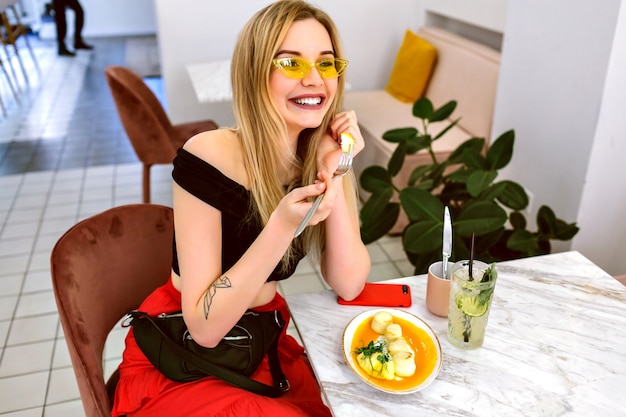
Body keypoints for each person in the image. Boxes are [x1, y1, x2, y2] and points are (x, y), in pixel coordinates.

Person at [112, 1, 370, 416]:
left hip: (260, 335)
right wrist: (281, 227)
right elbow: (206, 328)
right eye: (289, 62)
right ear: (254, 72)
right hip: (187, 347)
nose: (313, 79)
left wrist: (336, 169)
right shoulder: (207, 156)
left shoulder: (319, 156)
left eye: (326, 64)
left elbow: (349, 283)